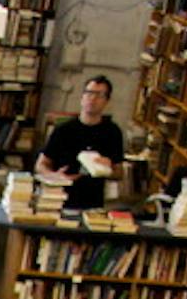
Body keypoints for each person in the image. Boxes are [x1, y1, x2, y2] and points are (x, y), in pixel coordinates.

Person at [36, 75, 127, 212]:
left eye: (99, 95)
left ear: (107, 101)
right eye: (89, 93)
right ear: (82, 97)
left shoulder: (112, 132)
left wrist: (107, 168)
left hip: (92, 204)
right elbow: (40, 165)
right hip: (60, 200)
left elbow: (119, 173)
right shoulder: (63, 130)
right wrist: (55, 176)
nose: (92, 99)